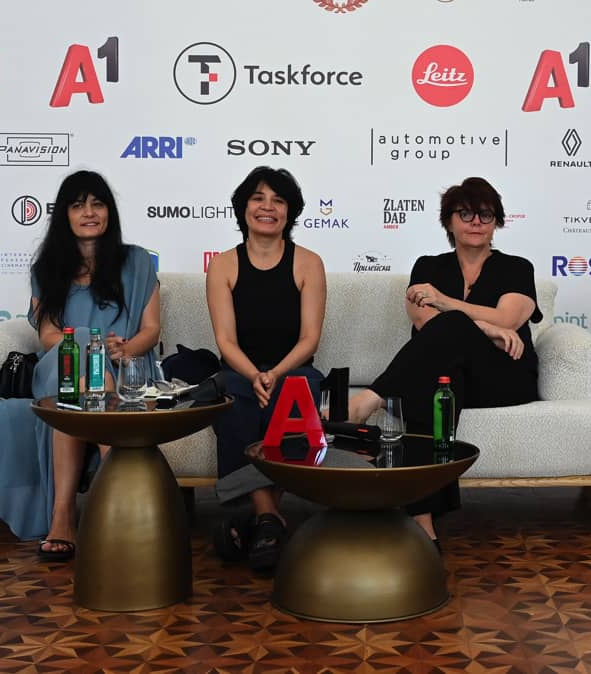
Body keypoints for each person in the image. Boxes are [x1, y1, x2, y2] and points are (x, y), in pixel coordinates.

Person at [349, 177, 541, 548]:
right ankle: (424, 522)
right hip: (447, 374)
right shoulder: (428, 266)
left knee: (445, 339)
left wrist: (445, 303)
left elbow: (508, 319)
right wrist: (485, 326)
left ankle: (370, 399)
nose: (476, 222)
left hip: (504, 375)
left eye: (485, 214)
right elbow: (426, 322)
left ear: (497, 222)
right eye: (465, 213)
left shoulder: (517, 268)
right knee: (437, 383)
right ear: (448, 221)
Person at [0, 170, 161, 560]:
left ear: (109, 212)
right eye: (78, 205)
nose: (89, 212)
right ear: (64, 214)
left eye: (98, 204)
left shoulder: (137, 261)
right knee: (79, 349)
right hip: (61, 364)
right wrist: (90, 343)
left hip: (122, 367)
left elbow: (151, 329)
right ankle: (118, 498)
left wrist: (121, 350)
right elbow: (49, 336)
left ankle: (63, 516)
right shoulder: (47, 268)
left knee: (77, 381)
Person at [207, 166, 326, 571]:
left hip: (293, 369)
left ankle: (258, 518)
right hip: (239, 371)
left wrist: (273, 375)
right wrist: (255, 376)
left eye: (278, 200)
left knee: (298, 390)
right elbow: (225, 340)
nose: (267, 207)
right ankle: (268, 517)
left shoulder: (308, 263)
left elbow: (309, 339)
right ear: (244, 208)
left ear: (290, 212)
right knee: (231, 397)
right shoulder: (223, 265)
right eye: (258, 198)